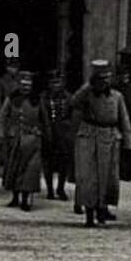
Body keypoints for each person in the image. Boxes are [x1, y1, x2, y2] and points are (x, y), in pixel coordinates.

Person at [70, 60, 131, 227]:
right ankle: (89, 213)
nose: (103, 83)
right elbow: (73, 102)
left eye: (106, 79)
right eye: (100, 79)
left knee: (107, 177)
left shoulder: (117, 96)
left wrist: (128, 141)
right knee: (88, 177)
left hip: (109, 137)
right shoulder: (87, 94)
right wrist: (87, 86)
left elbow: (124, 119)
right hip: (88, 136)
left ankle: (102, 209)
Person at [0, 71, 48, 212]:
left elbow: (45, 119)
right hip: (15, 139)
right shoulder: (11, 99)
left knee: (30, 170)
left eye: (29, 84)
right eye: (23, 84)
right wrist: (0, 135)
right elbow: (2, 117)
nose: (26, 87)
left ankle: (26, 199)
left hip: (33, 140)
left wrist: (44, 133)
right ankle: (15, 196)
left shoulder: (37, 100)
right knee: (14, 168)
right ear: (18, 85)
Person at [39, 71, 73, 201]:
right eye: (53, 82)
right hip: (49, 132)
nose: (56, 85)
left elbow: (72, 114)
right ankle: (49, 190)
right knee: (48, 163)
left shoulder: (68, 97)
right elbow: (42, 115)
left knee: (63, 163)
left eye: (58, 82)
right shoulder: (44, 97)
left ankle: (60, 188)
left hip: (63, 134)